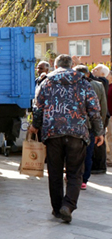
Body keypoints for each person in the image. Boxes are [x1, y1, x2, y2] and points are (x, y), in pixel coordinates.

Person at [29, 55, 104, 223]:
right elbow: (94, 109)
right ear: (72, 66)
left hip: (53, 133)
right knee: (75, 172)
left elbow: (38, 107)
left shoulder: (46, 82)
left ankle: (57, 209)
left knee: (54, 172)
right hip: (77, 133)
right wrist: (99, 132)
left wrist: (35, 125)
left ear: (55, 66)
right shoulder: (84, 83)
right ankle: (68, 206)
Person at [73, 65, 107, 190]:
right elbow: (103, 108)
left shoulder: (72, 86)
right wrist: (100, 128)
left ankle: (74, 176)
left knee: (74, 152)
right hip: (92, 125)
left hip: (75, 125)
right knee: (88, 152)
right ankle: (84, 179)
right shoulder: (98, 85)